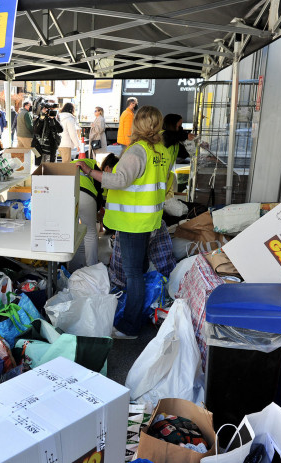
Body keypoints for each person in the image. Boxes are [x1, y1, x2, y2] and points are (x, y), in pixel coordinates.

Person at [78, 105, 173, 339]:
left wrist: (89, 172)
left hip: (133, 222)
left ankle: (130, 326)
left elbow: (119, 180)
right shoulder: (160, 150)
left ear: (137, 124)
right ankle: (136, 314)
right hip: (148, 219)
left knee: (132, 274)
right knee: (138, 270)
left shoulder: (137, 151)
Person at [32, 99, 62, 164]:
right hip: (38, 149)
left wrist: (53, 119)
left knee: (49, 170)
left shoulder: (54, 118)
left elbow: (60, 130)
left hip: (50, 150)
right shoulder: (39, 118)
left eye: (52, 109)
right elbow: (35, 130)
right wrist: (41, 117)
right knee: (38, 169)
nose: (49, 111)